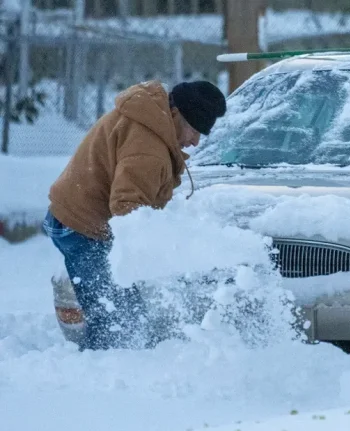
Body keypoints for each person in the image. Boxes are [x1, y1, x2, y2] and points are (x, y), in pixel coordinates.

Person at [43, 80, 227, 350]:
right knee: (114, 315)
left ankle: (120, 353)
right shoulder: (148, 147)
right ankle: (107, 367)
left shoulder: (151, 119)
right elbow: (128, 207)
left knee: (124, 304)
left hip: (80, 215)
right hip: (80, 225)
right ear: (176, 115)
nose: (196, 141)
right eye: (194, 129)